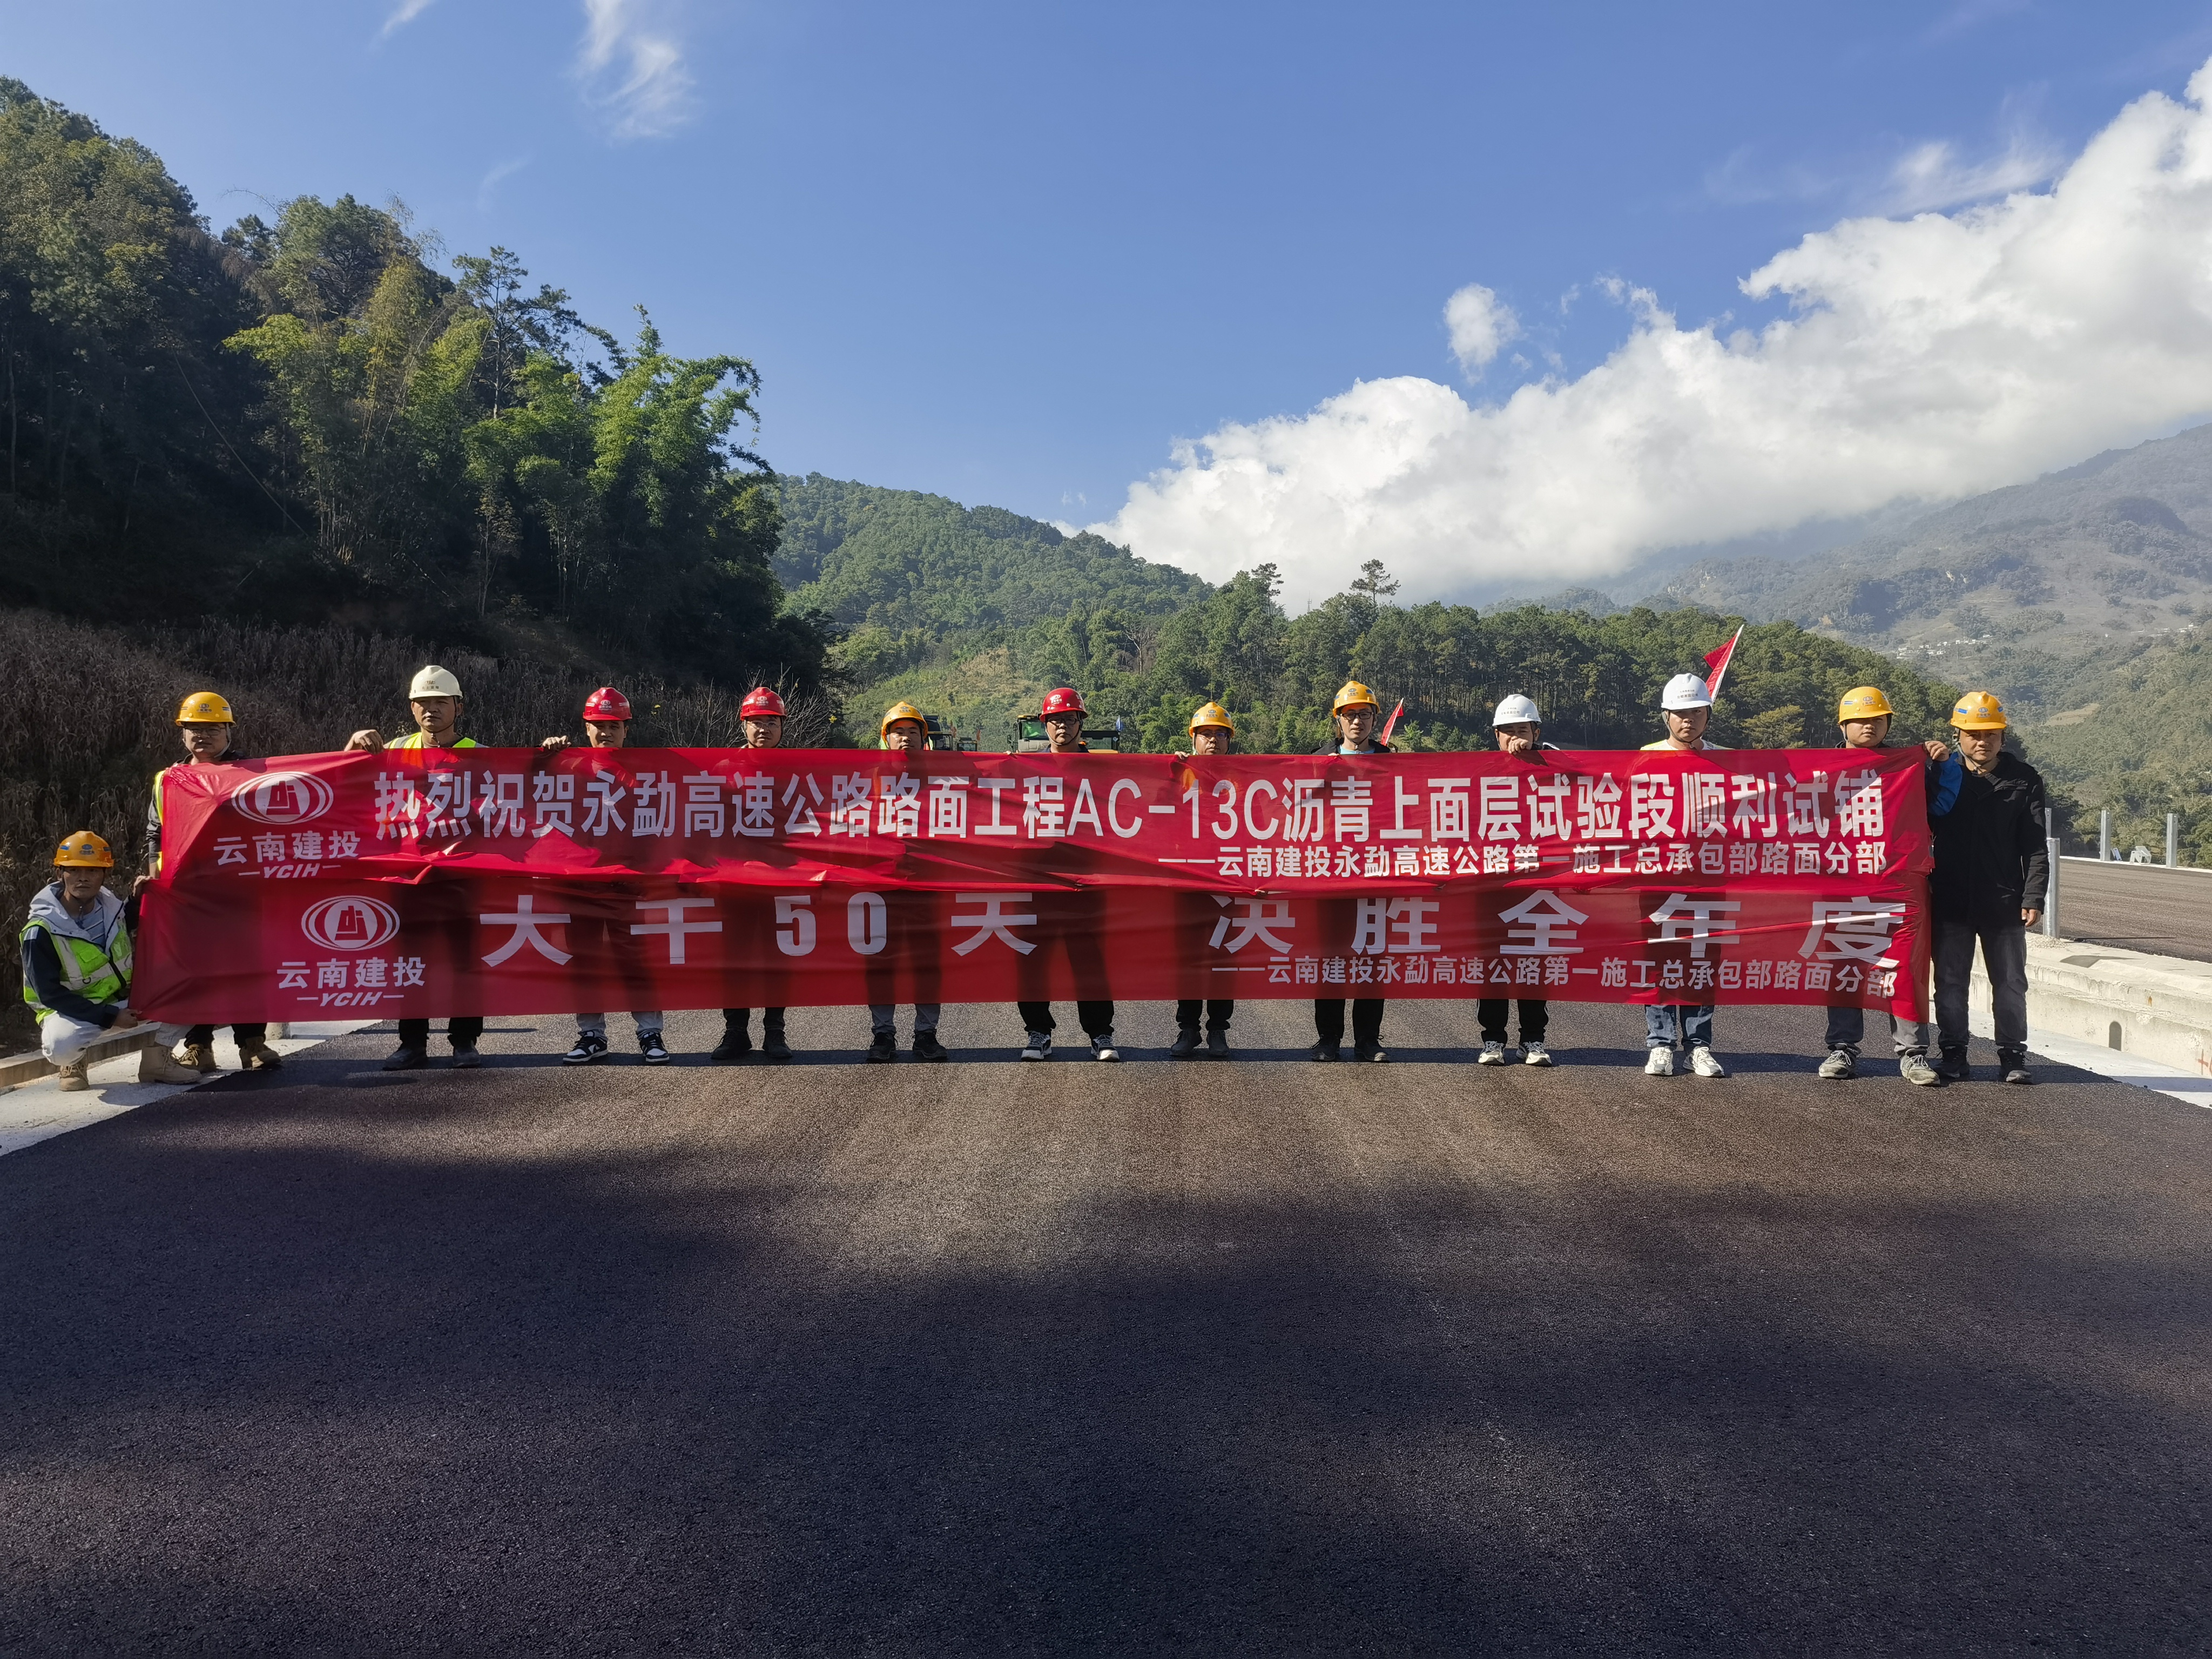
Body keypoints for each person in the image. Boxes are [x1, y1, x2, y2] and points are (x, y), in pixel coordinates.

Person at [1816, 686, 1960, 1087]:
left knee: (1905, 970)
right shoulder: (1822, 769)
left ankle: (1913, 1054)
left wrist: (1945, 765)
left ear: (1888, 724)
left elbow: (1942, 806)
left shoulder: (1907, 767)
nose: (1869, 726)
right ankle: (1842, 1048)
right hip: (1843, 885)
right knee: (1845, 967)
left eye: (1877, 720)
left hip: (1899, 887)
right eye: (1860, 720)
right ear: (1843, 724)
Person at [345, 665, 485, 1070]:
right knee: (411, 961)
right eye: (423, 703)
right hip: (407, 878)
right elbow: (346, 781)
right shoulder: (393, 749)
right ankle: (412, 1043)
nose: (431, 710)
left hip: (459, 875)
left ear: (458, 706)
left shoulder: (479, 755)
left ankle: (464, 1041)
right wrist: (353, 745)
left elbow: (512, 803)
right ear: (411, 707)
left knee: (464, 960)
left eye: (440, 702)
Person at [141, 691, 282, 1073]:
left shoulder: (253, 773)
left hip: (241, 887)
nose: (202, 736)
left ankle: (252, 1044)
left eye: (212, 729)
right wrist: (155, 871)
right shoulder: (168, 779)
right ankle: (198, 1046)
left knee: (246, 964)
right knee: (196, 967)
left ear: (229, 732)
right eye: (194, 729)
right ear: (182, 734)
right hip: (189, 890)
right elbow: (156, 831)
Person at [540, 687, 670, 1065]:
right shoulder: (567, 766)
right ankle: (591, 1034)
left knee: (634, 959)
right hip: (578, 882)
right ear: (586, 727)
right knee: (584, 959)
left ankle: (650, 1032)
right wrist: (543, 754)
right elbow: (524, 788)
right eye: (598, 725)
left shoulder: (644, 771)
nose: (606, 732)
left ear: (627, 729)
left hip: (625, 883)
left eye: (614, 726)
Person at [1931, 691, 2047, 1085]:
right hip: (1949, 899)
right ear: (1959, 736)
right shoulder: (1943, 776)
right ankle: (1953, 1053)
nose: (1982, 742)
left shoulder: (2024, 779)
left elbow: (2034, 844)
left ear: (2002, 736)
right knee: (1949, 983)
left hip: (2004, 901)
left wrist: (2034, 896)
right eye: (1973, 734)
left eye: (1991, 734)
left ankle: (2012, 1056)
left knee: (2011, 983)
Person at [21, 832, 195, 1091]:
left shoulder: (112, 909)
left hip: (122, 1000)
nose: (83, 877)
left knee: (192, 988)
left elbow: (127, 925)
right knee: (60, 1047)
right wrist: (111, 1016)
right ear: (60, 874)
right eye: (74, 870)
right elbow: (50, 994)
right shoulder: (41, 931)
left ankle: (158, 1059)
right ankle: (75, 1062)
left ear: (105, 876)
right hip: (72, 1012)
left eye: (93, 870)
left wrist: (138, 901)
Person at [1017, 686, 1119, 1061]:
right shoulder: (1026, 770)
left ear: (1082, 724)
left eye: (1070, 718)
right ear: (1044, 725)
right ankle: (1038, 1032)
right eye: (1055, 719)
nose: (1063, 726)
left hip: (1085, 883)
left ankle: (1101, 1034)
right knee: (1033, 959)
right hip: (1038, 881)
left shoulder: (1104, 770)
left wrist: (1180, 765)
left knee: (1089, 960)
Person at [1640, 672, 1729, 1078]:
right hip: (1659, 877)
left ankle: (1699, 1045)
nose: (1687, 720)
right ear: (1666, 717)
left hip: (1708, 877)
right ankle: (1660, 1044)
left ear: (1708, 713)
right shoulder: (1644, 758)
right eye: (1679, 713)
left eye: (1695, 712)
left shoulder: (1728, 761)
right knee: (1659, 961)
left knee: (1700, 963)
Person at [1313, 680, 1392, 1062]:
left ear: (1375, 718)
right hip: (1330, 875)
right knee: (1330, 959)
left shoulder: (1394, 762)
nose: (1357, 721)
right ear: (1338, 720)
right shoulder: (1316, 762)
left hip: (1377, 875)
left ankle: (1368, 1040)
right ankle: (1328, 1039)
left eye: (1364, 714)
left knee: (1371, 959)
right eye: (1350, 715)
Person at [867, 702, 948, 1062]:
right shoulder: (868, 776)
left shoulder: (941, 777)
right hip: (880, 884)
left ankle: (926, 1034)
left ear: (923, 739)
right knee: (882, 961)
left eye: (912, 732)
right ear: (887, 739)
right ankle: (883, 1035)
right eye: (898, 732)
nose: (905, 738)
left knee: (926, 962)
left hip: (927, 885)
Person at [716, 686, 793, 1063]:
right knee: (735, 959)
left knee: (776, 959)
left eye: (771, 722)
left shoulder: (799, 773)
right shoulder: (723, 770)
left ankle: (775, 1033)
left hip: (781, 882)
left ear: (782, 726)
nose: (764, 728)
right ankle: (735, 1032)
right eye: (757, 722)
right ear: (742, 724)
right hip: (735, 883)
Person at [1479, 694, 1557, 1067]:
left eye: (1521, 730)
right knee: (1493, 964)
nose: (1514, 738)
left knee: (1532, 962)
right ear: (1495, 735)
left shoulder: (1554, 764)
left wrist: (1537, 755)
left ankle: (1534, 1039)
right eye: (1506, 731)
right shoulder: (1481, 770)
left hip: (1538, 880)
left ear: (1536, 731)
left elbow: (1585, 779)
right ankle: (1493, 1039)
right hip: (1493, 881)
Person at [1171, 702, 1237, 1060]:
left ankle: (1218, 1030)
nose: (1213, 741)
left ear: (1229, 740)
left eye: (1220, 734)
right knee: (1189, 959)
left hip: (1227, 879)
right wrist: (1171, 768)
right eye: (1206, 735)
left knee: (1223, 958)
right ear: (1194, 739)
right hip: (1189, 882)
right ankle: (1188, 1028)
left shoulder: (1246, 777)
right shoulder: (1180, 774)